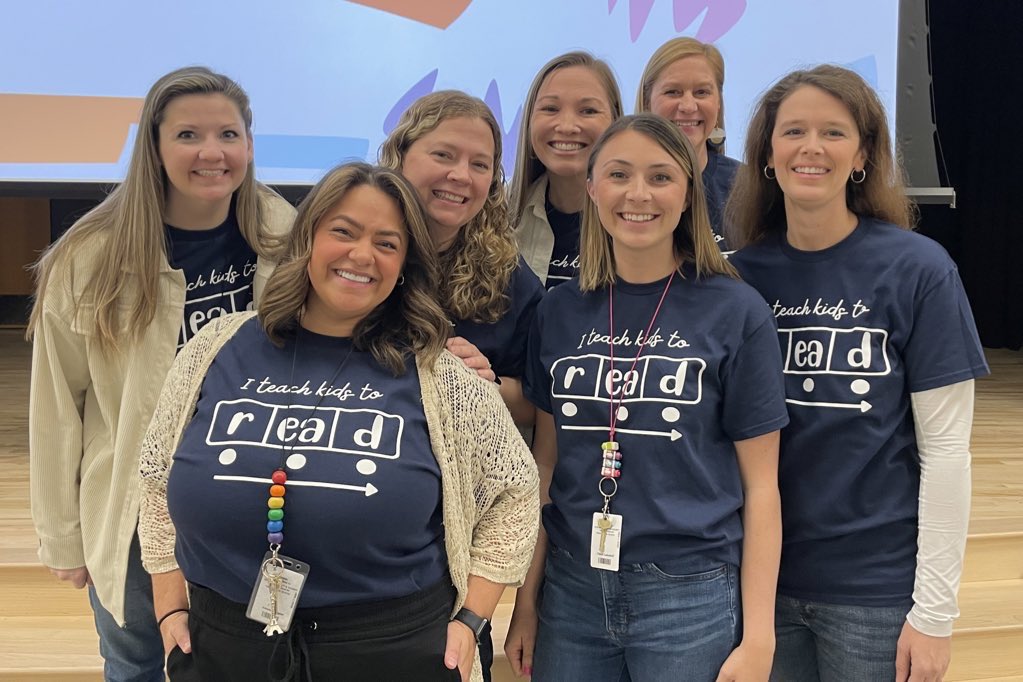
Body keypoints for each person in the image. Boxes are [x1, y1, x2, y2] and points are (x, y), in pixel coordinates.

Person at [138, 162, 539, 682]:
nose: (361, 255)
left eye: (387, 243)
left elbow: (515, 491)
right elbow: (154, 475)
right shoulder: (214, 347)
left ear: (404, 266)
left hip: (391, 651)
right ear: (307, 239)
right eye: (343, 232)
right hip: (227, 645)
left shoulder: (441, 375)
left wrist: (471, 619)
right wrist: (169, 602)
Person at [28, 66, 295, 681]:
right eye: (187, 135)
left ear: (249, 146)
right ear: (153, 146)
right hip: (131, 508)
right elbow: (54, 408)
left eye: (228, 134)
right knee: (138, 660)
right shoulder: (89, 255)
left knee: (254, 658)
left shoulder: (286, 236)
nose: (212, 153)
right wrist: (63, 538)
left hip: (254, 503)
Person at [726, 65, 990, 682]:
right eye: (793, 131)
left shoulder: (919, 270)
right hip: (757, 586)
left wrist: (936, 613)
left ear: (863, 154)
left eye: (833, 132)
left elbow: (948, 453)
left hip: (875, 592)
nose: (811, 148)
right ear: (768, 154)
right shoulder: (737, 277)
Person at [506, 114, 788, 681]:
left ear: (688, 194)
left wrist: (760, 635)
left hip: (690, 594)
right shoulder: (558, 311)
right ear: (592, 189)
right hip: (571, 589)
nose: (639, 194)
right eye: (619, 174)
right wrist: (527, 603)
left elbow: (761, 488)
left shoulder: (736, 311)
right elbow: (546, 464)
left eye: (660, 177)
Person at [380, 90, 544, 430]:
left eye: (480, 164)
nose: (462, 176)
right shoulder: (355, 253)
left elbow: (536, 407)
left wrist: (485, 383)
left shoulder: (508, 275)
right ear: (401, 154)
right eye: (444, 155)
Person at [508, 52, 623, 288]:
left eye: (588, 111)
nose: (567, 126)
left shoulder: (641, 216)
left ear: (616, 122)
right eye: (550, 109)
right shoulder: (497, 213)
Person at [636, 37, 740, 254]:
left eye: (701, 92)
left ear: (718, 102)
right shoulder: (620, 188)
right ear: (647, 102)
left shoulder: (746, 187)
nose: (688, 106)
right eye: (673, 92)